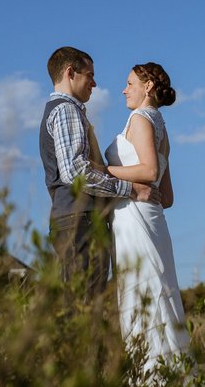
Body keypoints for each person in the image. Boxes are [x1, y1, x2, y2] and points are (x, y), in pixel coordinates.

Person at [39, 46, 155, 301]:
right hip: (79, 220)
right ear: (70, 73)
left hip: (74, 219)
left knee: (82, 301)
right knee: (84, 304)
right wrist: (130, 188)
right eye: (89, 75)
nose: (94, 82)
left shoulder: (64, 110)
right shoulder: (66, 110)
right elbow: (76, 172)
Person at [103, 62, 192, 375]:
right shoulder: (162, 128)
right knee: (155, 293)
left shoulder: (140, 118)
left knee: (142, 296)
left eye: (129, 83)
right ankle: (169, 372)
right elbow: (166, 197)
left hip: (135, 220)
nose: (124, 90)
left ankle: (152, 376)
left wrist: (101, 171)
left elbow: (150, 172)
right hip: (151, 219)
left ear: (148, 86)